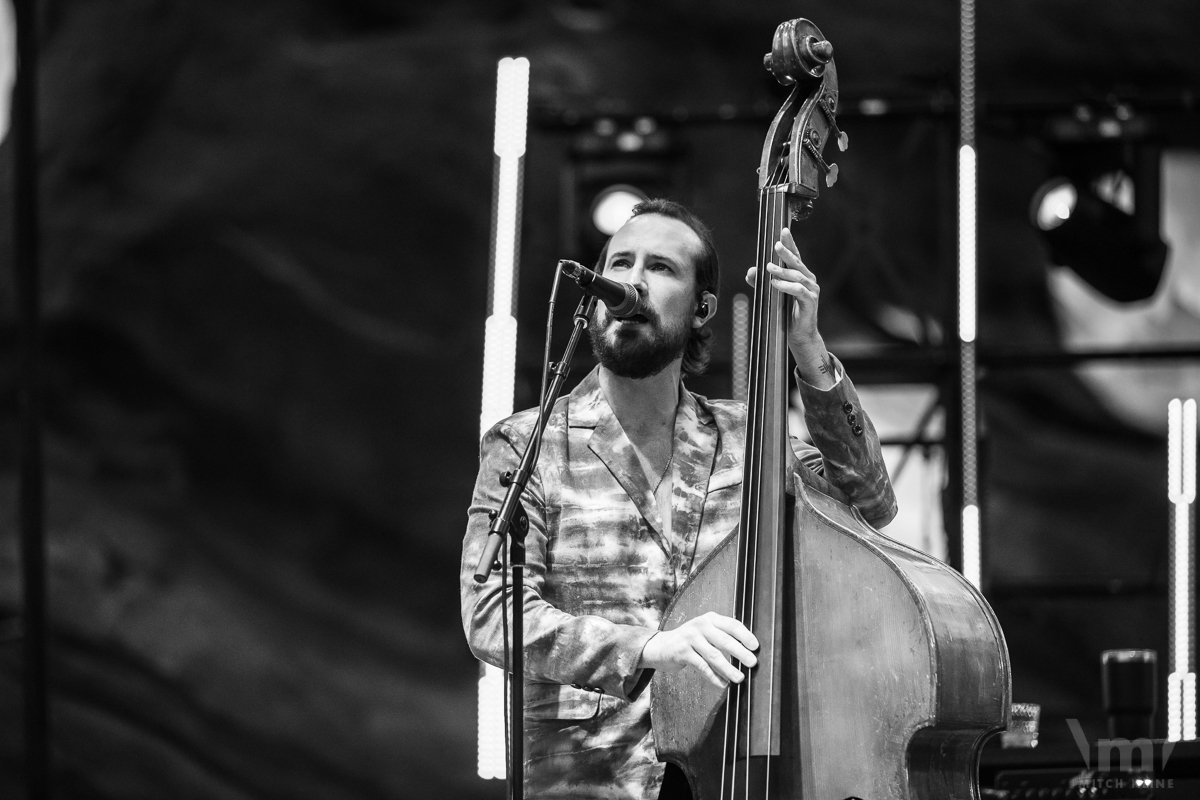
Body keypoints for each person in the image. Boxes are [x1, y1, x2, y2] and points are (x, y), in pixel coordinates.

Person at [460, 199, 896, 800]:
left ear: (701, 310)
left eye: (660, 267)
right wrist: (650, 648)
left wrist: (809, 350)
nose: (631, 282)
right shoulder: (525, 445)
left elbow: (870, 500)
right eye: (620, 262)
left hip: (730, 771)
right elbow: (492, 615)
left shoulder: (749, 440)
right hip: (587, 781)